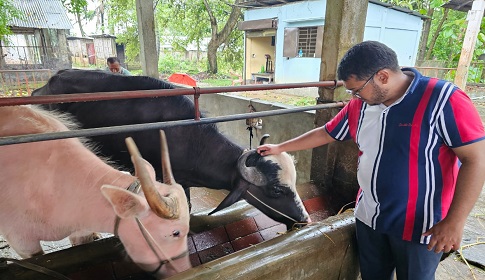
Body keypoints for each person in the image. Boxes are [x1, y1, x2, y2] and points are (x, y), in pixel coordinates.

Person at [257, 41, 485, 280]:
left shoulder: (442, 99)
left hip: (421, 226)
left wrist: (455, 222)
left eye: (357, 90)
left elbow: (476, 159)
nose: (354, 97)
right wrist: (280, 147)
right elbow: (327, 132)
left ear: (383, 76)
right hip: (369, 217)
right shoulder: (361, 106)